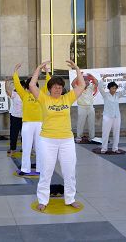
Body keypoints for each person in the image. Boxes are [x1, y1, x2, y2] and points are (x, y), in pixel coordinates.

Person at [29, 60, 85, 211]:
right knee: (46, 171)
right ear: (50, 88)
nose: (58, 90)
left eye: (60, 87)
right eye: (55, 87)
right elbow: (32, 86)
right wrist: (38, 69)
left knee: (69, 171)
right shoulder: (44, 99)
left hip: (66, 140)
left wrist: (77, 69)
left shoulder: (67, 98)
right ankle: (43, 200)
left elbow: (82, 85)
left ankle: (70, 198)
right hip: (47, 140)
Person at [12, 63, 50, 175]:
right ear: (28, 88)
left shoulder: (41, 94)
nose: (31, 88)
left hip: (39, 124)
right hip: (27, 124)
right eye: (29, 86)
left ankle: (39, 168)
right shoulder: (24, 95)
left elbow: (48, 84)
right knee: (26, 147)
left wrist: (47, 72)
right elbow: (17, 84)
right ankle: (25, 168)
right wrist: (15, 71)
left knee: (39, 148)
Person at [98, 75, 126, 153]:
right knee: (105, 133)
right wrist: (103, 79)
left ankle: (115, 148)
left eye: (115, 88)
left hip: (117, 116)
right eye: (112, 88)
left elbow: (125, 91)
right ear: (109, 88)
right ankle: (104, 148)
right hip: (107, 116)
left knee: (116, 133)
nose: (114, 90)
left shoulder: (117, 95)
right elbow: (100, 88)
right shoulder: (106, 95)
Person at [73, 75, 97, 142]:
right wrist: (78, 76)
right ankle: (79, 137)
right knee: (80, 123)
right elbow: (72, 84)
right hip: (81, 107)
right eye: (84, 80)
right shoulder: (79, 87)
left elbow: (97, 83)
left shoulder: (91, 87)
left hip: (90, 107)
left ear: (89, 81)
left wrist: (92, 76)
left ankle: (92, 137)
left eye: (87, 80)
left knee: (91, 123)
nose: (86, 82)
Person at [5, 77, 23, 155]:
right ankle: (13, 149)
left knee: (25, 135)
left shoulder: (27, 95)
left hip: (25, 118)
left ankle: (25, 149)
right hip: (15, 117)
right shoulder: (15, 94)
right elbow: (7, 90)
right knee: (14, 134)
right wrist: (6, 83)